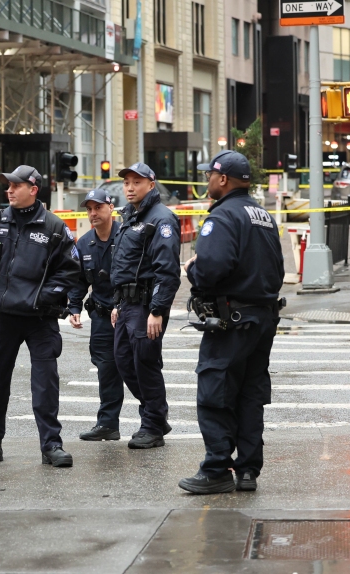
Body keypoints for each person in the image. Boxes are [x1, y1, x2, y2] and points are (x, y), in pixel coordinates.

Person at [0, 165, 81, 467]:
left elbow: (71, 269)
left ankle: (51, 445)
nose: (9, 190)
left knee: (45, 384)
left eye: (16, 185)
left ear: (33, 189)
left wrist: (44, 296)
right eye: (7, 186)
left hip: (40, 319)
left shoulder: (53, 226)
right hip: (3, 317)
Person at [178, 150, 284, 495]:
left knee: (215, 391)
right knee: (250, 393)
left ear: (222, 179)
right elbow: (277, 270)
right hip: (262, 319)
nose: (207, 180)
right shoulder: (263, 216)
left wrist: (193, 267)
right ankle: (248, 469)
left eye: (210, 175)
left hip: (231, 321)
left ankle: (216, 468)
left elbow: (210, 270)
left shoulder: (222, 217)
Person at [109, 162, 181, 449]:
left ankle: (152, 425)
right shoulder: (130, 216)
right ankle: (156, 415)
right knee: (124, 362)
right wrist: (117, 302)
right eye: (126, 182)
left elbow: (167, 271)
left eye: (136, 182)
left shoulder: (161, 219)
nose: (129, 187)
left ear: (151, 185)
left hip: (146, 306)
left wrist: (157, 310)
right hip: (126, 305)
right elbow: (123, 265)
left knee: (145, 364)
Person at [67, 188, 125, 441]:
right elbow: (79, 280)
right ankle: (108, 425)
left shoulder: (126, 236)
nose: (93, 213)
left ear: (110, 208)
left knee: (137, 368)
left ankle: (153, 423)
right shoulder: (84, 242)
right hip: (101, 317)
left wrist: (122, 304)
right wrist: (74, 307)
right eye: (89, 209)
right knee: (106, 369)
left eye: (98, 208)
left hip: (128, 313)